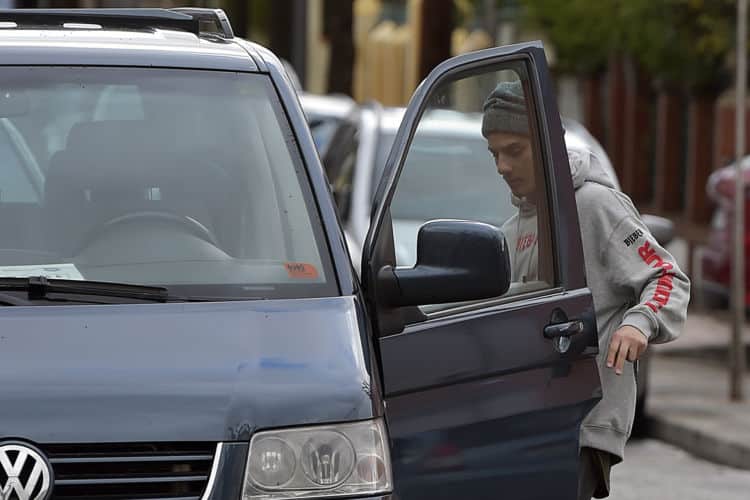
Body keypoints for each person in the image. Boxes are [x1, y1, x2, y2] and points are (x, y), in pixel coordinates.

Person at [481, 80, 690, 499]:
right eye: (495, 154)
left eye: (515, 151)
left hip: (581, 421)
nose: (502, 165)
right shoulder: (510, 231)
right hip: (525, 419)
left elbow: (667, 277)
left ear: (546, 145)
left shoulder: (595, 205)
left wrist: (639, 323)